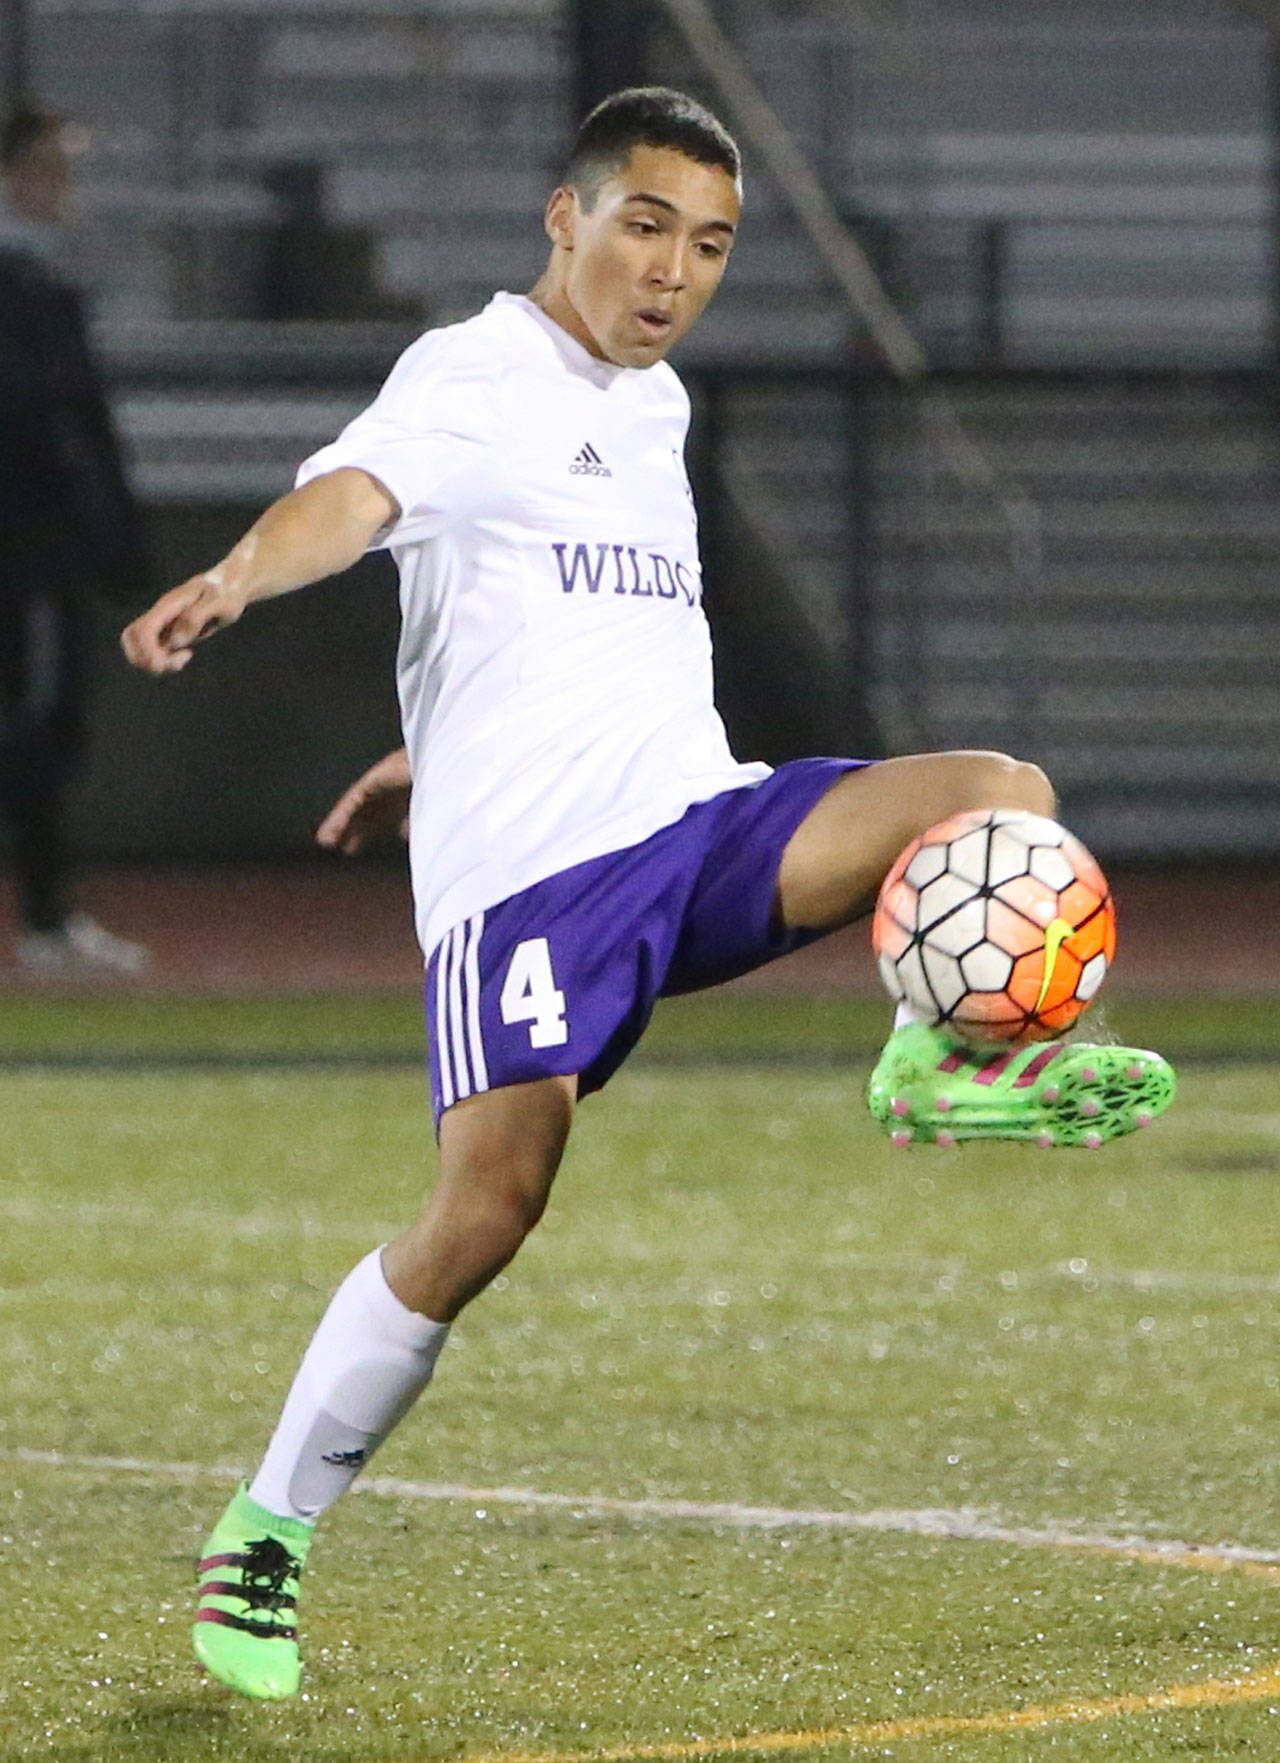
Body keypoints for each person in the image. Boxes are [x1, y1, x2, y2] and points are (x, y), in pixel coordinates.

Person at [120, 88, 1175, 1701]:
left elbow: (556, 611)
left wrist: (434, 731)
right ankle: (268, 1526)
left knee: (998, 794)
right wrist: (242, 573)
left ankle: (945, 1059)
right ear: (569, 216)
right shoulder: (473, 373)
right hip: (535, 885)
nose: (674, 269)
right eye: (646, 226)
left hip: (693, 822)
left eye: (710, 243)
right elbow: (357, 502)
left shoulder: (661, 405)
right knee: (489, 1208)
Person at [0, 105, 150, 974]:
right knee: (36, 727)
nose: (65, 186)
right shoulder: (23, 294)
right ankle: (46, 920)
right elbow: (53, 425)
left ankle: (49, 916)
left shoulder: (42, 286)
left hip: (39, 550)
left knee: (44, 728)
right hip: (24, 554)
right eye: (49, 166)